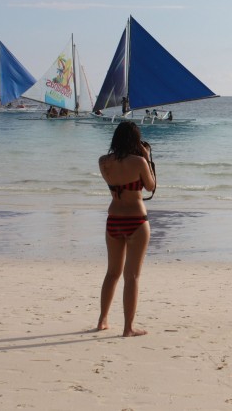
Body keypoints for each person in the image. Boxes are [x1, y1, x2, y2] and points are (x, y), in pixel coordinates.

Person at [97, 121, 156, 337]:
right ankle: (128, 328)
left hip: (114, 219)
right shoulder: (139, 161)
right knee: (132, 276)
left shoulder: (104, 162)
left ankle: (102, 320)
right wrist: (147, 158)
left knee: (112, 273)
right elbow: (150, 186)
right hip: (136, 221)